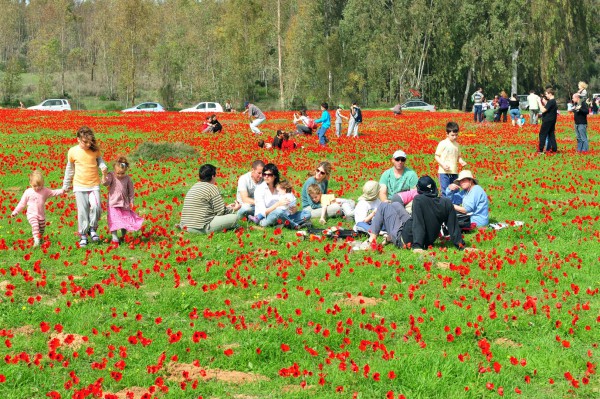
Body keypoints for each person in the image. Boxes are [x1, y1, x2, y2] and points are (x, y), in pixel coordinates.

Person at [362, 176, 465, 251]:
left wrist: (417, 246)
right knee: (396, 205)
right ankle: (389, 237)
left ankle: (372, 240)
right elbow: (453, 226)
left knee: (383, 206)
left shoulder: (419, 199)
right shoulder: (446, 202)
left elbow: (419, 223)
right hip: (424, 238)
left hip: (405, 239)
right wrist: (460, 245)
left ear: (419, 190)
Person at [62, 126, 108, 247]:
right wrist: (66, 185)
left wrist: (103, 166)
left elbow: (100, 161)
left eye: (90, 142)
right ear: (78, 139)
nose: (88, 144)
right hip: (79, 186)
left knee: (97, 207)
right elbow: (69, 169)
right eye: (85, 142)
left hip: (94, 185)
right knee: (82, 211)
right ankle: (83, 235)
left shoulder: (94, 151)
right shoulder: (72, 151)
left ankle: (92, 228)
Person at [179, 164, 240, 233]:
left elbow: (206, 207)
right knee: (234, 218)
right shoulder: (212, 187)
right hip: (200, 227)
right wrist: (234, 209)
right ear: (212, 176)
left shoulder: (194, 186)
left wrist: (227, 207)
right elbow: (220, 212)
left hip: (185, 226)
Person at [11, 170, 64, 247]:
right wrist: (15, 211)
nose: (38, 188)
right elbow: (22, 203)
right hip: (31, 214)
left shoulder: (45, 191)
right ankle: (36, 242)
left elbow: (54, 192)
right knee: (35, 225)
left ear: (43, 184)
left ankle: (39, 238)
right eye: (35, 186)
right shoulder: (28, 192)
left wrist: (63, 190)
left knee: (41, 230)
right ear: (30, 183)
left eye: (40, 185)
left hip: (41, 215)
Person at [251, 164, 310, 228]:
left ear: (275, 176)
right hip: (265, 218)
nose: (266, 176)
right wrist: (278, 204)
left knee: (307, 213)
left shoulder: (280, 186)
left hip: (283, 215)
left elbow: (290, 198)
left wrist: (294, 209)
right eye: (264, 174)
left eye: (269, 175)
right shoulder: (259, 189)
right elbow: (263, 212)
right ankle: (293, 225)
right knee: (278, 212)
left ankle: (282, 224)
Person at [102, 156, 144, 245]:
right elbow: (105, 183)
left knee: (124, 220)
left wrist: (131, 201)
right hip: (113, 203)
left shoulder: (127, 179)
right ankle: (115, 238)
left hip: (124, 203)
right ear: (114, 169)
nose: (120, 175)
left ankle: (123, 236)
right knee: (114, 220)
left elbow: (131, 191)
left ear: (126, 171)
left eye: (122, 173)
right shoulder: (111, 176)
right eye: (118, 173)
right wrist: (104, 175)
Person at [435, 121, 467, 197]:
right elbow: (436, 156)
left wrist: (461, 161)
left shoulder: (457, 145)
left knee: (455, 191)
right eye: (452, 135)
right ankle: (444, 207)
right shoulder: (443, 143)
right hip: (444, 172)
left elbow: (458, 156)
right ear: (447, 134)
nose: (455, 137)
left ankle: (455, 207)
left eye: (456, 135)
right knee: (445, 191)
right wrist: (442, 165)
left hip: (454, 172)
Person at [538, 88, 558, 154]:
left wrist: (539, 102)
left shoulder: (551, 101)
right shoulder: (553, 101)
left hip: (547, 120)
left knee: (542, 134)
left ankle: (541, 150)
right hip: (552, 120)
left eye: (546, 94)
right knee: (551, 134)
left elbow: (543, 110)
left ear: (550, 94)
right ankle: (554, 149)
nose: (546, 96)